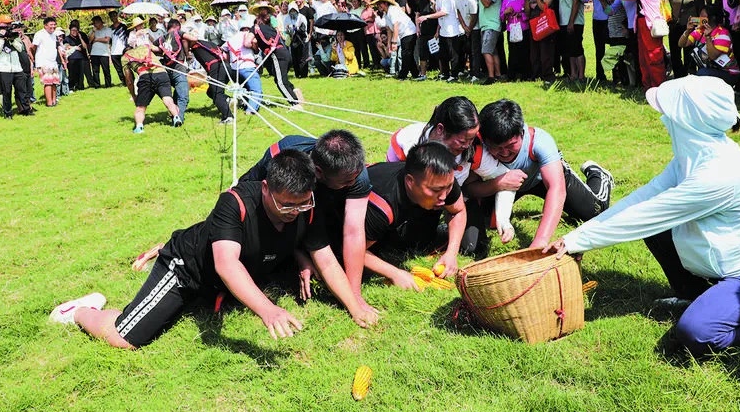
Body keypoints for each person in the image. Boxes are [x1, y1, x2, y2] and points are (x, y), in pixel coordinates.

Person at [547, 76, 740, 356]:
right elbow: (646, 197)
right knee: (658, 230)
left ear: (686, 121)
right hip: (731, 264)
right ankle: (694, 295)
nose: (663, 119)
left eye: (668, 114)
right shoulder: (694, 155)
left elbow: (647, 214)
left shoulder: (716, 175)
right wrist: (577, 238)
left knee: (696, 334)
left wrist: (579, 241)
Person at [51, 150, 378, 347]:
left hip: (237, 277)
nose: (295, 212)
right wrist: (268, 310)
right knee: (125, 338)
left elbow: (326, 259)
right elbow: (225, 263)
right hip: (186, 271)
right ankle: (80, 311)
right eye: (286, 205)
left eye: (302, 203)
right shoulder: (233, 203)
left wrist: (355, 305)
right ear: (266, 189)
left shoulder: (307, 206)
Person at [239, 130, 374, 310]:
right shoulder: (283, 155)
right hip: (275, 214)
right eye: (348, 181)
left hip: (318, 215)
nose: (354, 182)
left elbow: (354, 231)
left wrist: (354, 295)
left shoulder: (355, 174)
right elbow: (250, 193)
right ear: (318, 172)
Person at [462, 99, 613, 257]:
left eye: (510, 146)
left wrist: (540, 241)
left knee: (595, 213)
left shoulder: (540, 142)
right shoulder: (478, 147)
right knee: (485, 223)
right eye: (497, 148)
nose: (504, 153)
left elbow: (557, 189)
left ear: (522, 133)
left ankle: (597, 174)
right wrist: (497, 184)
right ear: (485, 140)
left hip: (542, 179)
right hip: (506, 185)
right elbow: (469, 188)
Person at [364, 142, 467, 290]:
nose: (444, 196)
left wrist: (452, 252)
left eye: (448, 187)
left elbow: (458, 211)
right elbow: (353, 249)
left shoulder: (443, 180)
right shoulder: (381, 204)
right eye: (436, 190)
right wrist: (395, 273)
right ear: (410, 181)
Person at [596, 0, 669, 90]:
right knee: (644, 57)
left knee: (652, 57)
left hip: (648, 25)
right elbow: (617, 2)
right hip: (642, 25)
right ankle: (648, 86)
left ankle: (656, 87)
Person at [124, 17, 180, 133]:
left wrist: (134, 95)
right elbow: (158, 49)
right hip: (161, 73)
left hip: (145, 76)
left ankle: (139, 126)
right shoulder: (144, 45)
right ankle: (176, 117)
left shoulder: (125, 57)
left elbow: (129, 80)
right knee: (168, 100)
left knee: (140, 107)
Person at [251, 1, 302, 106]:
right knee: (280, 77)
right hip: (286, 53)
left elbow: (252, 41)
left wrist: (254, 49)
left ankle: (295, 104)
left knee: (280, 82)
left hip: (277, 55)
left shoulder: (256, 28)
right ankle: (295, 92)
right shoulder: (271, 28)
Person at [677, 6, 738, 87]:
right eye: (699, 16)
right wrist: (688, 31)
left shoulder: (723, 34)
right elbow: (681, 44)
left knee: (702, 73)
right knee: (700, 73)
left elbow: (713, 56)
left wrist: (708, 38)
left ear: (712, 18)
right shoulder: (700, 31)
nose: (700, 19)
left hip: (728, 72)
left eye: (703, 17)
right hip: (712, 69)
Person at [666, 0, 706, 77]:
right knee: (675, 55)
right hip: (675, 26)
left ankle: (689, 77)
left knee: (690, 56)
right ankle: (678, 77)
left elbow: (702, 11)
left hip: (691, 27)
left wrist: (697, 26)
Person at [0, 15, 33, 118]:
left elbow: (20, 49)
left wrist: (12, 39)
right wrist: (1, 38)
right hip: (3, 68)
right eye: (6, 24)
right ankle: (8, 113)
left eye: (9, 23)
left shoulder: (14, 34)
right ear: (0, 24)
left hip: (16, 67)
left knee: (22, 90)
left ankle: (26, 110)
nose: (8, 25)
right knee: (7, 91)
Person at [372, 0, 420, 81]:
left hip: (409, 32)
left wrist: (394, 42)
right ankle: (415, 74)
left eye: (380, 4)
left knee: (405, 54)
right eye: (377, 4)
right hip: (403, 34)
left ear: (385, 3)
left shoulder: (392, 10)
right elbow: (389, 30)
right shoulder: (386, 14)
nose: (378, 6)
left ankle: (403, 75)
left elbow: (396, 26)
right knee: (408, 55)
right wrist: (389, 43)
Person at [556, 0, 587, 82]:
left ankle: (581, 75)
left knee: (577, 48)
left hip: (574, 21)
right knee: (570, 49)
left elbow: (576, 1)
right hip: (564, 21)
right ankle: (573, 74)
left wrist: (571, 22)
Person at [500, 0, 531, 81]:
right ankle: (512, 74)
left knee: (523, 51)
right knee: (512, 52)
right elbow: (501, 16)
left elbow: (527, 14)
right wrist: (505, 12)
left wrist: (520, 14)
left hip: (523, 28)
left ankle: (524, 74)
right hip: (511, 29)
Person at [159, 18, 188, 126]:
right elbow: (192, 38)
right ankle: (178, 118)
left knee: (177, 93)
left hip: (167, 70)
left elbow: (153, 47)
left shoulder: (162, 38)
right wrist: (188, 54)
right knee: (183, 97)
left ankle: (174, 112)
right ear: (177, 27)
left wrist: (163, 51)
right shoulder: (178, 33)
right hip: (179, 68)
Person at [31, 17, 61, 108]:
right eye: (51, 25)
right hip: (43, 62)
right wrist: (34, 59)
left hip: (53, 62)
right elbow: (33, 47)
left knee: (54, 82)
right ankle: (49, 103)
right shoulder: (39, 34)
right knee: (48, 82)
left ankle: (53, 101)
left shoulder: (54, 34)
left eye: (54, 24)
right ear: (45, 25)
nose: (53, 26)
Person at [63, 22, 91, 92]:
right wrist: (74, 47)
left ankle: (80, 86)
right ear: (70, 30)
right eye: (73, 30)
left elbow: (85, 47)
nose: (74, 32)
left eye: (76, 30)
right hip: (72, 58)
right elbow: (66, 46)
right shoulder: (67, 38)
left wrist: (80, 38)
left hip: (81, 58)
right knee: (72, 73)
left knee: (80, 73)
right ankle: (71, 87)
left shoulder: (80, 37)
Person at [108, 10, 129, 95]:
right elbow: (109, 41)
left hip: (123, 50)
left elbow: (128, 37)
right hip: (114, 52)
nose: (113, 17)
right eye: (111, 16)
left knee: (127, 67)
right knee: (118, 69)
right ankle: (124, 82)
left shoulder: (123, 26)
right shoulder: (110, 29)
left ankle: (130, 80)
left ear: (117, 16)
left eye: (114, 15)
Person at [88, 15, 113, 88]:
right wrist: (93, 32)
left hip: (104, 53)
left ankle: (108, 84)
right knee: (95, 70)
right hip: (94, 53)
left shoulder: (107, 30)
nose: (95, 24)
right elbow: (90, 40)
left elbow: (107, 40)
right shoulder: (93, 31)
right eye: (94, 23)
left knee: (106, 70)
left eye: (95, 23)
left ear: (100, 22)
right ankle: (97, 85)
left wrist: (96, 39)